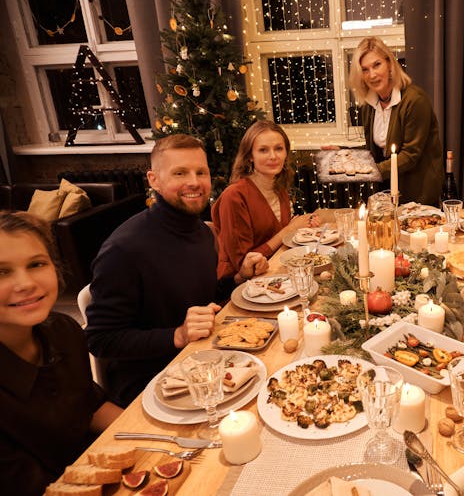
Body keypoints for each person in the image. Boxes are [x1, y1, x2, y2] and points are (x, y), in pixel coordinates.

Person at [85, 134, 265, 407]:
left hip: (205, 361)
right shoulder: (124, 249)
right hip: (154, 385)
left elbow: (200, 295)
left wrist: (239, 277)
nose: (194, 182)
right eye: (180, 172)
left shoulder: (201, 232)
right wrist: (177, 335)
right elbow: (100, 339)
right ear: (154, 179)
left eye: (200, 172)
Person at [0, 212, 122, 495]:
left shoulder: (63, 330)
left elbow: (89, 406)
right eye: (2, 271)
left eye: (36, 264)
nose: (26, 283)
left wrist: (156, 436)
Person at [211, 120, 319, 279]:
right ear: (250, 157)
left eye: (278, 149)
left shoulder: (279, 188)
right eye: (263, 150)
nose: (273, 156)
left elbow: (277, 235)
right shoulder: (234, 196)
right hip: (242, 286)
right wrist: (289, 230)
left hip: (277, 272)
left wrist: (300, 226)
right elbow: (244, 265)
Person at [349, 36, 444, 206]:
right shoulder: (368, 106)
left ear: (390, 64)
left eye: (377, 65)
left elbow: (410, 155)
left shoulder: (415, 100)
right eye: (365, 69)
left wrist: (372, 171)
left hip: (418, 195)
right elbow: (374, 149)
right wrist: (343, 154)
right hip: (387, 194)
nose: (372, 74)